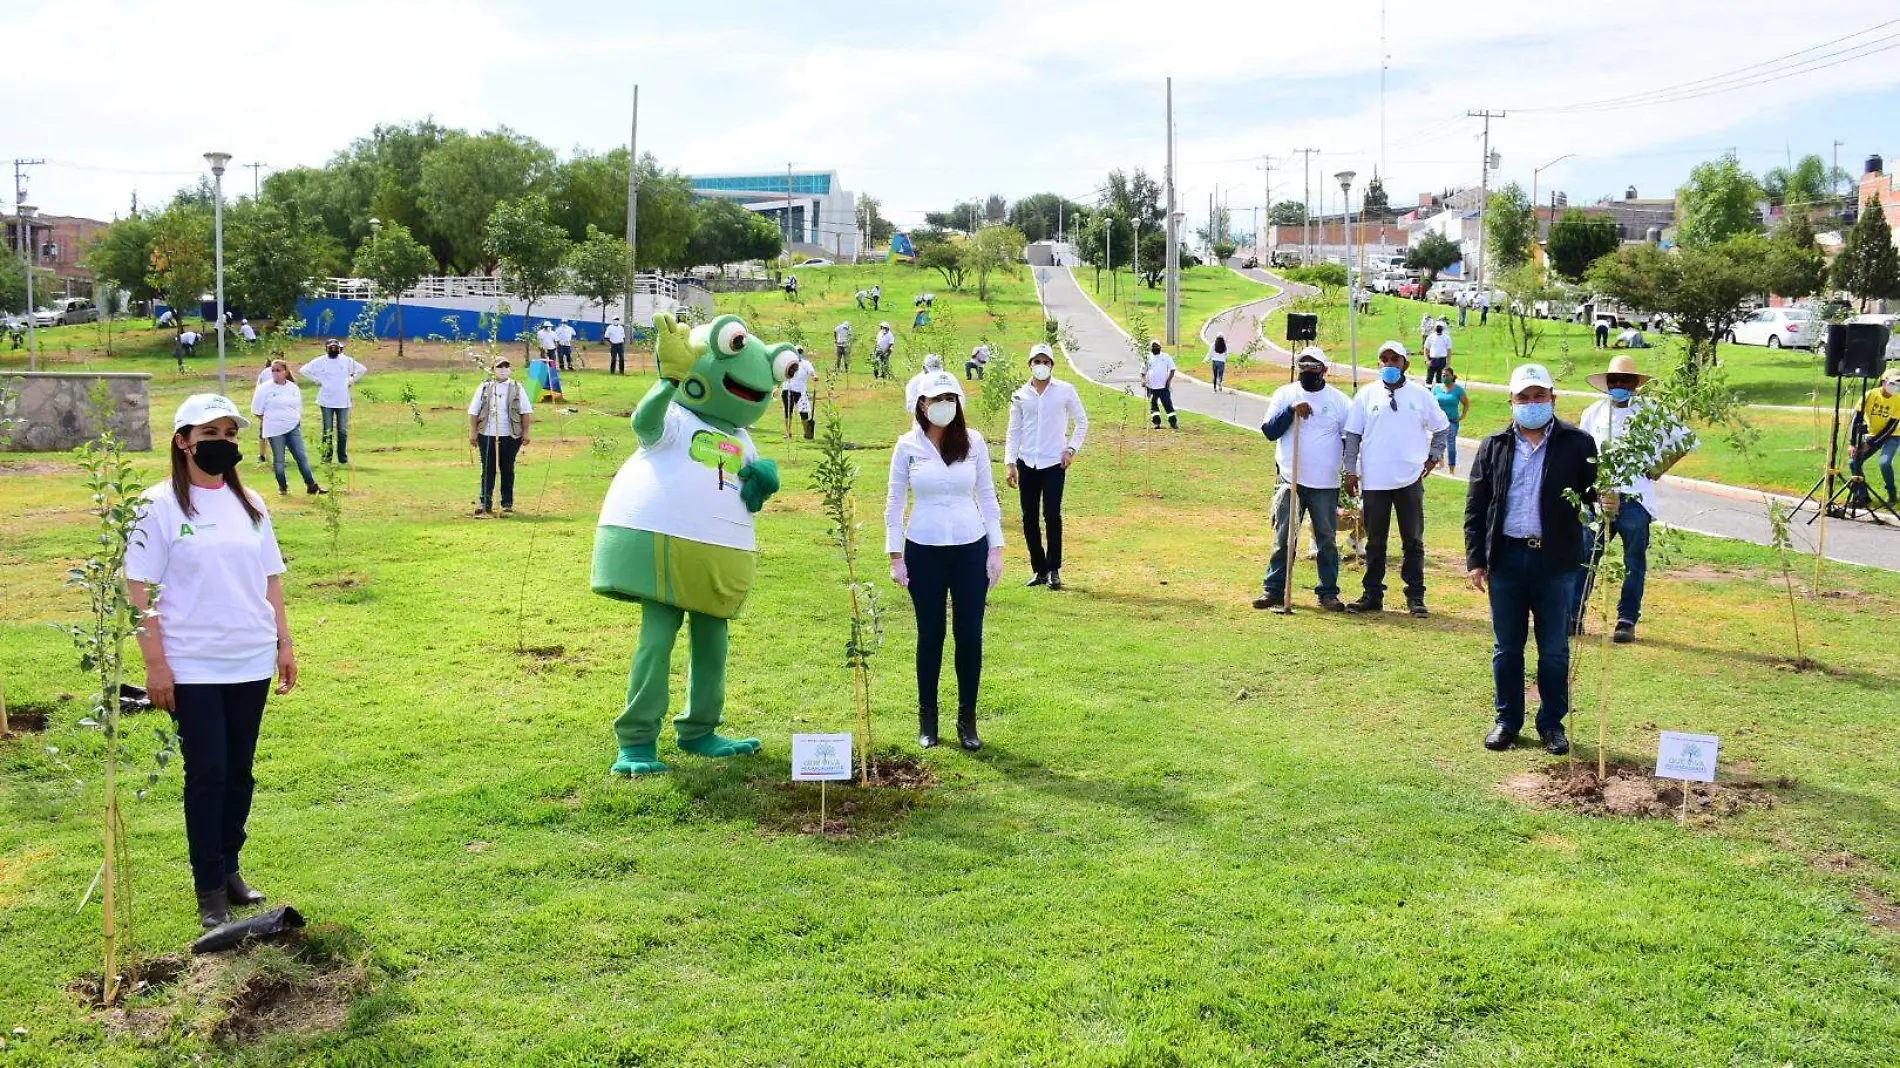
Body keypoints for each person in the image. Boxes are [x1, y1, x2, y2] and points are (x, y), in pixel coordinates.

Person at [125, 394, 298, 928]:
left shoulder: (251, 503)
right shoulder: (155, 506)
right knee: (208, 771)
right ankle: (208, 889)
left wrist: (284, 642)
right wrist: (156, 665)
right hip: (192, 665)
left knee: (239, 773)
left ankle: (229, 867)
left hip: (249, 657)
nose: (223, 442)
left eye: (230, 433)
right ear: (183, 441)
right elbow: (139, 590)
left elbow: (270, 577)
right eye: (211, 433)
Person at [1466, 364, 1599, 756]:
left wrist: (1607, 500)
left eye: (1539, 396)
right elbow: (1476, 506)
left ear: (1553, 398)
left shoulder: (1578, 443)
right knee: (1507, 647)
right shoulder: (1494, 445)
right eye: (1523, 397)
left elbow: (1594, 496)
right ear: (1511, 401)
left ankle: (1552, 724)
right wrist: (1476, 559)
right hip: (1506, 560)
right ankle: (1507, 720)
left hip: (1555, 563)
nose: (1531, 403)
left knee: (1555, 647)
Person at [885, 371, 1004, 752]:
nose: (945, 406)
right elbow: (894, 503)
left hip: (971, 547)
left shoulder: (973, 442)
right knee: (931, 635)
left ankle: (967, 720)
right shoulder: (907, 446)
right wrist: (895, 556)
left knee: (970, 634)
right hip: (924, 547)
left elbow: (987, 495)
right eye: (937, 399)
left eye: (951, 398)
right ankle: (928, 719)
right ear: (922, 404)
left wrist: (997, 549)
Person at [1571, 354, 1694, 644]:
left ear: (1636, 385)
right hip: (1600, 499)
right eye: (1613, 381)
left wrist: (1658, 468)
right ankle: (1574, 614)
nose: (1618, 385)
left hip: (1636, 499)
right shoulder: (1594, 413)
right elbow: (1581, 452)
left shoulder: (1650, 414)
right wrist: (1593, 489)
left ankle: (1626, 620)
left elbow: (1686, 439)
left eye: (1625, 381)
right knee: (1586, 557)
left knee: (1633, 562)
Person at [1343, 341, 1451, 616]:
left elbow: (1442, 428)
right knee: (1376, 540)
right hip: (1375, 480)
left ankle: (1415, 596)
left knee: (1413, 540)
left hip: (1410, 478)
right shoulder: (1366, 395)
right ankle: (1372, 594)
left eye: (1395, 360)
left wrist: (1433, 457)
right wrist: (1350, 470)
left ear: (1406, 364)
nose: (1390, 365)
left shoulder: (1421, 395)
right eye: (1385, 360)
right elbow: (1353, 435)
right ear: (1379, 363)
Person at [1256, 347, 1351, 611]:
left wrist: (1352, 472)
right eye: (1303, 365)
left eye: (1314, 366)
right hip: (1290, 480)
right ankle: (1274, 590)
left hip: (1325, 483)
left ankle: (1328, 593)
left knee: (1327, 541)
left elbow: (1349, 439)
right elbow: (1269, 432)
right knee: (1284, 538)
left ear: (1325, 370)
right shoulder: (1285, 394)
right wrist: (1290, 410)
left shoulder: (1340, 401)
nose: (1308, 371)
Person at [1005, 344, 1088, 590]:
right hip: (1027, 462)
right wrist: (1010, 462)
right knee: (1029, 518)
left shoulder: (1065, 391)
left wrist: (1071, 449)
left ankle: (1054, 569)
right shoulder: (1020, 395)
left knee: (1051, 514)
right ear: (1029, 364)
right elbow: (1014, 430)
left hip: (1054, 463)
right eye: (1036, 361)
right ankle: (1039, 569)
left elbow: (1082, 422)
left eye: (1045, 361)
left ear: (1052, 365)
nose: (1040, 365)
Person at [468, 360, 534, 516]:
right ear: (493, 369)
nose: (503, 369)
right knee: (488, 468)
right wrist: (473, 432)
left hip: (511, 435)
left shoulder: (517, 388)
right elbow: (473, 411)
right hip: (487, 433)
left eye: (506, 366)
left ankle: (506, 503)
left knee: (507, 468)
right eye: (499, 366)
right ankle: (485, 502)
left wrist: (525, 433)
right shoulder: (485, 387)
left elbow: (525, 412)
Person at [250, 360, 325, 496]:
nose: (275, 373)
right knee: (279, 459)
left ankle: (311, 485)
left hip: (293, 426)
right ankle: (283, 487)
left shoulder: (292, 388)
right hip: (274, 428)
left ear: (285, 372)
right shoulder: (264, 389)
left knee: (301, 456)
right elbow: (256, 410)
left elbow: (298, 406)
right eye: (273, 370)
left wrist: (294, 419)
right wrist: (269, 420)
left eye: (278, 370)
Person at [298, 339, 367, 465]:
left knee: (342, 430)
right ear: (326, 348)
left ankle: (342, 458)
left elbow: (362, 369)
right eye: (331, 348)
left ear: (339, 349)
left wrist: (351, 380)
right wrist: (316, 380)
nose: (333, 350)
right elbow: (304, 370)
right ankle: (326, 457)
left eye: (335, 348)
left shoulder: (346, 361)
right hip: (326, 400)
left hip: (343, 400)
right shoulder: (320, 361)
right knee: (327, 429)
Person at [1850, 367, 1900, 508]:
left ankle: (1892, 494)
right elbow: (1857, 419)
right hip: (1873, 434)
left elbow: (1889, 429)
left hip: (1892, 436)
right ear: (1883, 382)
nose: (1896, 387)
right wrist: (1853, 443)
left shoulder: (1898, 401)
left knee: (1884, 463)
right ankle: (1863, 496)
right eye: (1893, 383)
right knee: (1853, 462)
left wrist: (1870, 444)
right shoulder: (1870, 395)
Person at [1431, 368, 1471, 475]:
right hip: (1439, 420)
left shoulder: (1458, 390)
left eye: (1447, 375)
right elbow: (1431, 402)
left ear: (1452, 376)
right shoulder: (1436, 388)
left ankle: (1451, 469)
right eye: (1443, 375)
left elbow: (1466, 403)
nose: (1445, 377)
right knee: (1438, 441)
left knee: (1451, 443)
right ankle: (1439, 462)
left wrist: (1463, 415)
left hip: (1452, 420)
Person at [781, 345, 818, 440]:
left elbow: (811, 372)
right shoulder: (788, 363)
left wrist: (814, 376)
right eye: (797, 351)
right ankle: (788, 432)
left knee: (803, 412)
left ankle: (807, 433)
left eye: (800, 352)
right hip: (787, 389)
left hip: (800, 391)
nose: (799, 353)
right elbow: (782, 375)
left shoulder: (806, 363)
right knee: (787, 412)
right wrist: (777, 387)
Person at [1144, 340, 1178, 430]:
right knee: (1153, 405)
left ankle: (1173, 422)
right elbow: (1143, 371)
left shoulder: (1166, 357)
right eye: (1153, 347)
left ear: (1160, 347)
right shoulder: (1148, 358)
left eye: (1156, 346)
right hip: (1151, 387)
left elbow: (1172, 369)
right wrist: (1143, 381)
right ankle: (1156, 423)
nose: (1155, 348)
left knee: (1167, 404)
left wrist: (1168, 380)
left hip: (1163, 386)